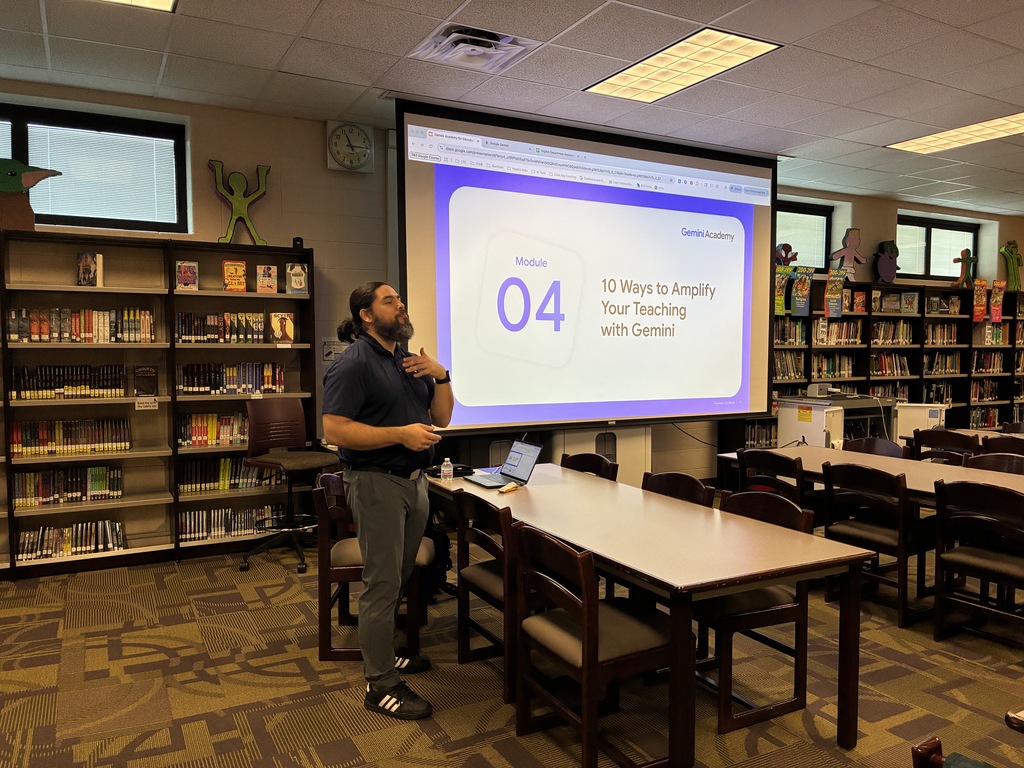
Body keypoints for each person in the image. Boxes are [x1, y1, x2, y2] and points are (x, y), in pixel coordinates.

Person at [322, 281, 454, 721]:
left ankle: (383, 655)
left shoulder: (407, 360)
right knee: (381, 585)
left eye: (400, 299)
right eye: (389, 300)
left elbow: (442, 417)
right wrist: (399, 435)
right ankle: (379, 685)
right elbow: (335, 430)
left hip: (416, 483)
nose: (401, 306)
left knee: (398, 576)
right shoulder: (354, 363)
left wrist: (441, 375)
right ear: (365, 314)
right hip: (377, 483)